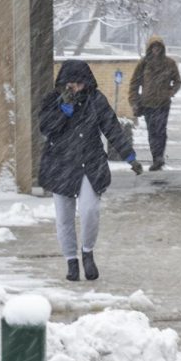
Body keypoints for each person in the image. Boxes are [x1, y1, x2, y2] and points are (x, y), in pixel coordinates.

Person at [38, 60, 143, 282]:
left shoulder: (96, 101)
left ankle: (87, 253)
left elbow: (112, 128)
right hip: (61, 164)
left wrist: (129, 156)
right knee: (64, 217)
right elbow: (46, 128)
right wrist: (63, 111)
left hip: (90, 162)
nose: (74, 88)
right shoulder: (52, 100)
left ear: (86, 83)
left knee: (89, 210)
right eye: (70, 84)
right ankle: (71, 261)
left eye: (78, 83)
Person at [129, 35, 181, 171]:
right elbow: (134, 83)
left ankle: (159, 157)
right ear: (150, 48)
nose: (156, 49)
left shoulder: (169, 63)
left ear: (162, 48)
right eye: (153, 47)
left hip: (163, 104)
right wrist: (134, 100)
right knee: (152, 131)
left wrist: (170, 92)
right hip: (147, 103)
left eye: (158, 47)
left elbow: (177, 81)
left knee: (160, 130)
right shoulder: (144, 63)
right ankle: (155, 157)